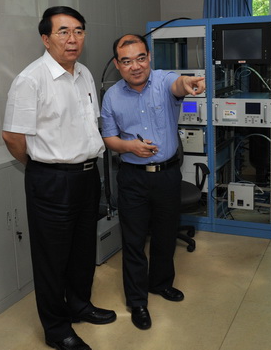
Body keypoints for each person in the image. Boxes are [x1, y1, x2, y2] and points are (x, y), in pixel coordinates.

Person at [2, 6, 116, 350]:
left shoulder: (83, 73)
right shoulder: (30, 80)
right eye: (63, 32)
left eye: (79, 31)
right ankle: (56, 329)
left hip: (87, 176)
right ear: (45, 38)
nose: (73, 39)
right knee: (52, 259)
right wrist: (43, 167)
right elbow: (12, 137)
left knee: (82, 250)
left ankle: (79, 305)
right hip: (51, 180)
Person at [100, 34, 205, 330]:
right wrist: (129, 147)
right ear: (117, 65)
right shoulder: (112, 97)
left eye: (140, 58)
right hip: (132, 178)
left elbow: (179, 84)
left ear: (149, 57)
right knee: (133, 241)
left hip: (167, 175)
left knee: (165, 234)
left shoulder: (162, 80)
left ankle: (161, 283)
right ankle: (137, 301)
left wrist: (188, 82)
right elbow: (109, 138)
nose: (135, 66)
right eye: (127, 61)